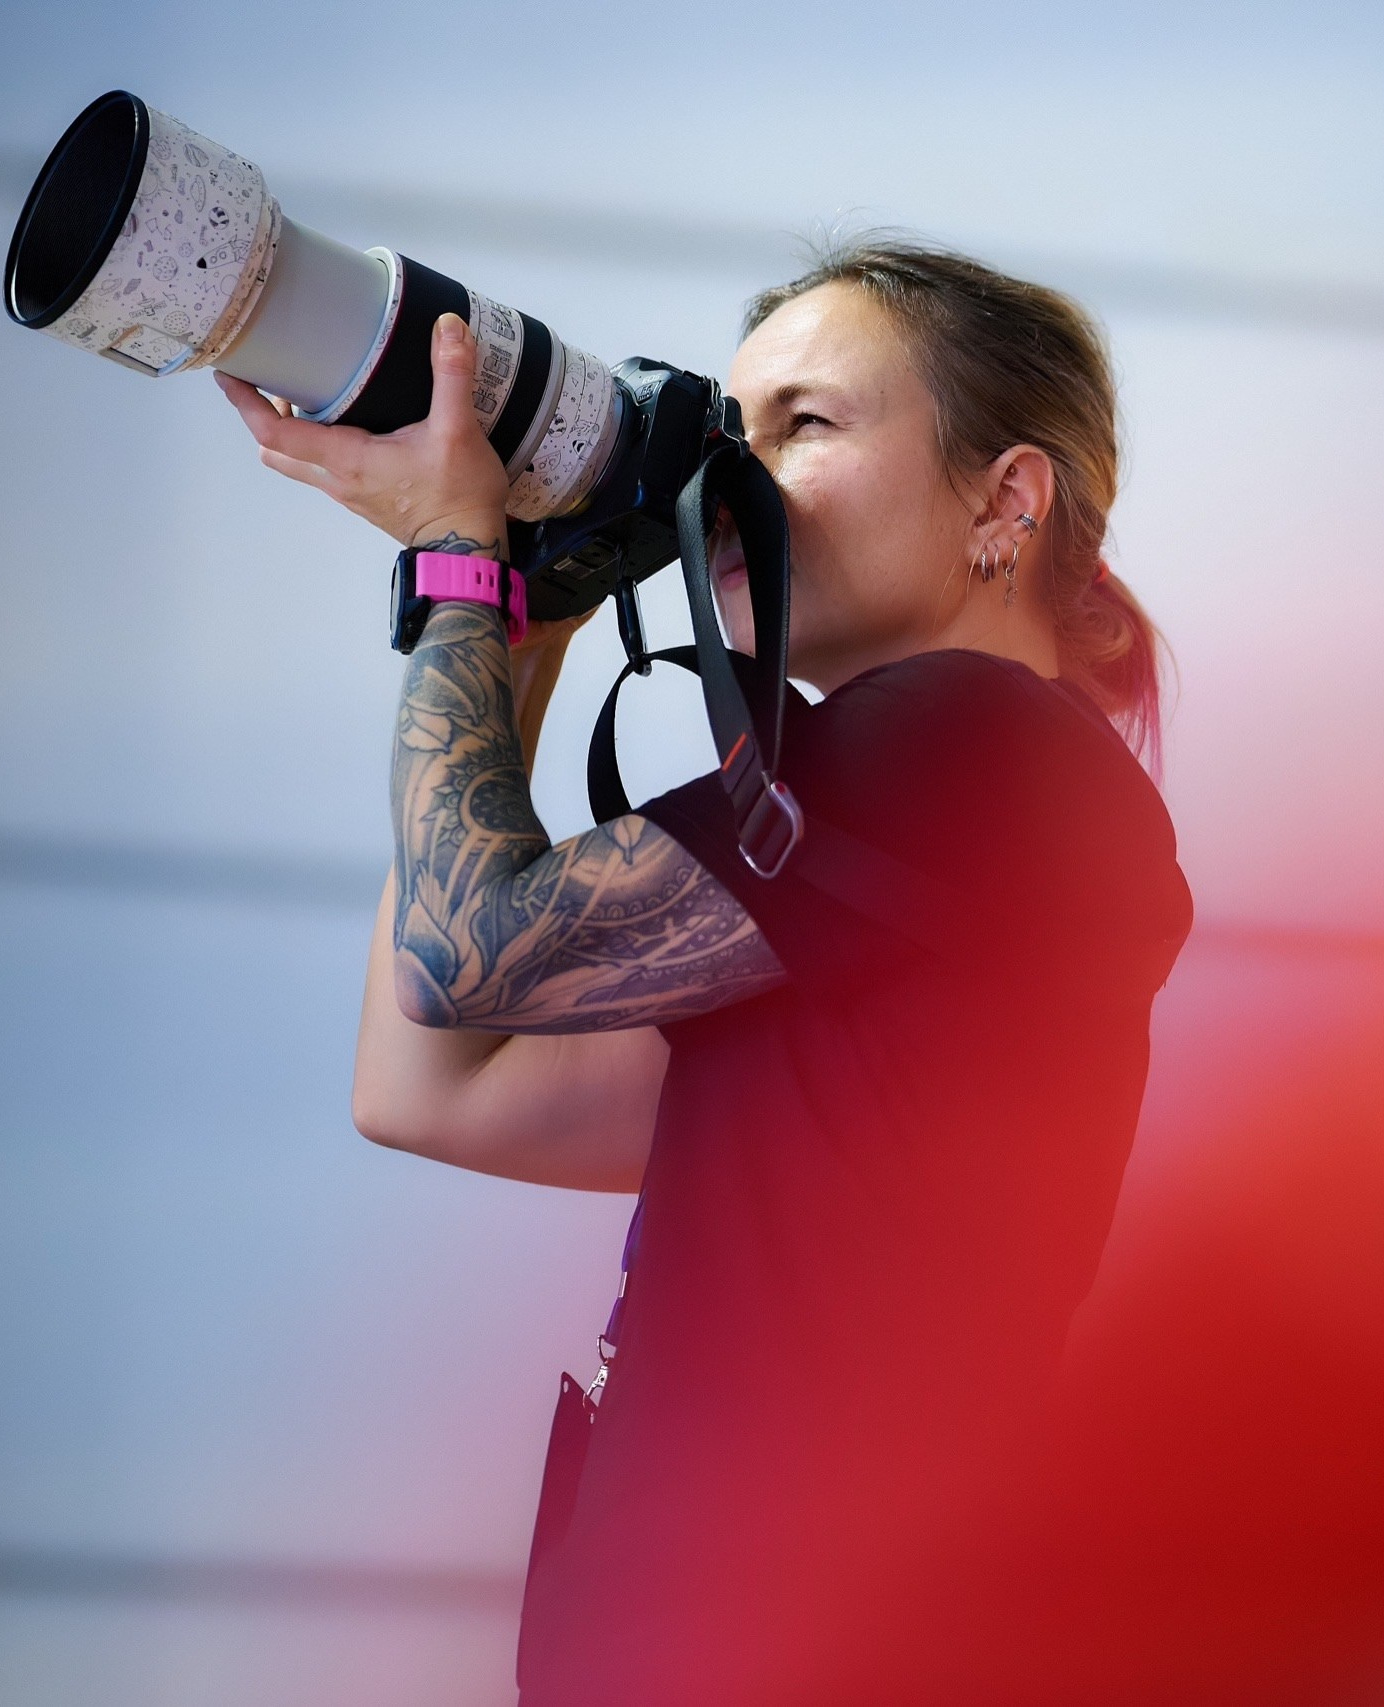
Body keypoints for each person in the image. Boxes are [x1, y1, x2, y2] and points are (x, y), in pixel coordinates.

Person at [219, 238, 1194, 1705]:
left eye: (806, 424)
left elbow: (463, 950)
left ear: (1007, 499)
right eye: (729, 432)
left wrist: (456, 565)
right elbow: (426, 1083)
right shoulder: (874, 888)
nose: (734, 478)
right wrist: (528, 617)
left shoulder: (979, 742)